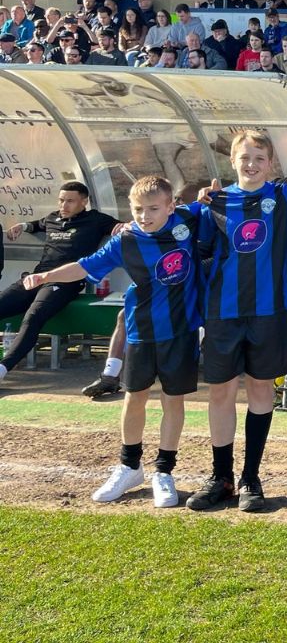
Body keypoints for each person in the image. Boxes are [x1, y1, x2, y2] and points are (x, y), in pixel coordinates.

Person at [21, 177, 200, 508]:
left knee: (173, 401)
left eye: (153, 209)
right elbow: (84, 267)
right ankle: (130, 466)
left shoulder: (189, 219)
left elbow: (221, 207)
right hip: (140, 332)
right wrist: (46, 276)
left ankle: (164, 472)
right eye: (137, 209)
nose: (145, 216)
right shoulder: (125, 240)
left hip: (182, 331)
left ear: (170, 206)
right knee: (135, 398)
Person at [186, 131, 287, 513]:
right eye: (245, 157)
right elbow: (182, 231)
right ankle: (221, 476)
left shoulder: (285, 196)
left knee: (261, 391)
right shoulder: (215, 200)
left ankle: (251, 477)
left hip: (270, 312)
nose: (252, 164)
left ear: (271, 163)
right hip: (223, 313)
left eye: (260, 158)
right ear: (233, 160)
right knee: (222, 392)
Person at [0, 183, 121, 384]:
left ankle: (3, 368)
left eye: (70, 201)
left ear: (84, 202)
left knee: (33, 316)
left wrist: (122, 226)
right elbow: (37, 224)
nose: (64, 205)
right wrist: (23, 226)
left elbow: (125, 227)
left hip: (67, 281)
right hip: (36, 277)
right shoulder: (53, 218)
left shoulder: (97, 220)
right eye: (61, 200)